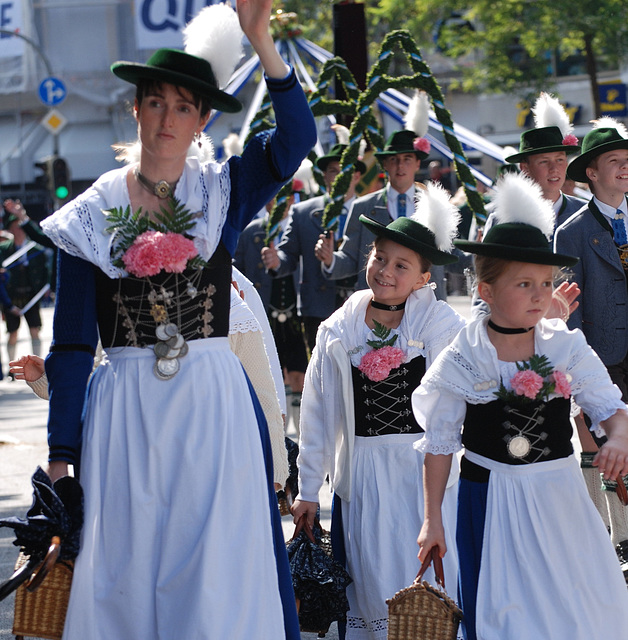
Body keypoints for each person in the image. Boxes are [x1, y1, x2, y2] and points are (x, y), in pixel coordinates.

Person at [38, 1, 316, 638]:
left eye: (184, 106)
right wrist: (60, 458)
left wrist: (260, 40)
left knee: (218, 570)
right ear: (135, 108)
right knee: (127, 573)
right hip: (126, 412)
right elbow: (74, 345)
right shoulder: (87, 216)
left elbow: (297, 138)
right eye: (156, 101)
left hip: (213, 406)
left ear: (203, 120)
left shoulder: (224, 190)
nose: (167, 118)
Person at [415, 173, 628, 640]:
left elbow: (610, 408)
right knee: (502, 610)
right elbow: (439, 443)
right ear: (486, 292)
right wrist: (433, 519)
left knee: (579, 601)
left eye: (546, 282)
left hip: (556, 493)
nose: (540, 295)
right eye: (525, 283)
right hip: (488, 494)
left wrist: (618, 437)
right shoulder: (462, 356)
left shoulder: (565, 346)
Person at [292, 182, 465, 640]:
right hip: (366, 477)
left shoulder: (441, 326)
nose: (385, 270)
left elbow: (459, 402)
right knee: (372, 584)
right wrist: (309, 489)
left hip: (425, 472)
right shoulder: (337, 329)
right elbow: (318, 415)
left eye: (401, 265)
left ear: (425, 277)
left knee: (430, 588)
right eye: (379, 257)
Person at [555, 117, 628, 578]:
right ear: (592, 174)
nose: (624, 169)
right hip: (606, 359)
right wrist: (580, 374)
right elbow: (570, 314)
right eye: (614, 163)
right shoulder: (573, 232)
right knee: (616, 450)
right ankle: (620, 537)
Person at [315, 92, 448, 302]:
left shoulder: (436, 204)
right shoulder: (363, 207)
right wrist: (330, 259)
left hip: (426, 306)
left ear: (417, 163)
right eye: (394, 160)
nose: (400, 165)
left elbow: (451, 256)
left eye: (407, 159)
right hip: (378, 307)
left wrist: (482, 253)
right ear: (385, 165)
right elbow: (351, 259)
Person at [260, 141, 366, 351]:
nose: (339, 176)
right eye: (333, 171)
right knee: (321, 375)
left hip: (363, 307)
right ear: (324, 175)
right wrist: (275, 261)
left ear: (356, 175)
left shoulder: (371, 210)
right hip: (318, 308)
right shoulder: (302, 212)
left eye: (345, 170)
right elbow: (287, 255)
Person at [234, 184, 309, 396]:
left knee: (299, 372)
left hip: (296, 311)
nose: (273, 201)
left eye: (281, 196)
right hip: (264, 311)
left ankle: (297, 426)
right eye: (270, 195)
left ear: (292, 200)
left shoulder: (300, 229)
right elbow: (237, 273)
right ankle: (277, 425)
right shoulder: (250, 232)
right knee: (268, 371)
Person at [503, 92, 584, 230]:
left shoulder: (586, 214)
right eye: (544, 162)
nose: (554, 169)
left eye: (559, 160)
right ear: (525, 168)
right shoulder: (506, 217)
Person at [0, 210, 50, 365]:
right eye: (14, 227)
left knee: (35, 329)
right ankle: (12, 367)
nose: (18, 230)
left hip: (31, 295)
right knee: (12, 332)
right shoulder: (3, 249)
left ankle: (37, 364)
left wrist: (44, 290)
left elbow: (44, 271)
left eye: (21, 226)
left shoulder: (35, 249)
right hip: (12, 295)